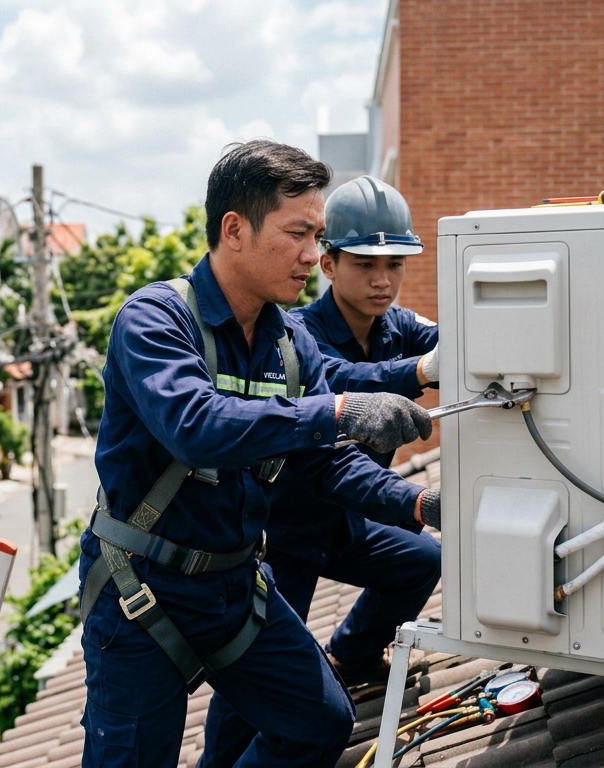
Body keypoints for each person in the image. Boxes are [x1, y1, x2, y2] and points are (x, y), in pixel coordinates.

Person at [79, 142, 439, 768]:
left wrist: (419, 502)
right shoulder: (156, 320)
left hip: (236, 583)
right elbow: (195, 425)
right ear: (235, 230)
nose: (311, 255)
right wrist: (335, 412)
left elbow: (328, 465)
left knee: (319, 724)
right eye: (298, 234)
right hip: (143, 589)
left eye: (317, 235)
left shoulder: (289, 339)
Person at [201, 175, 444, 767]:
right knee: (257, 672)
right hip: (286, 531)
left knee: (421, 560)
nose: (382, 279)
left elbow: (450, 340)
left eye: (395, 263)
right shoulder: (300, 334)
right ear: (329, 264)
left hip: (350, 515)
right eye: (365, 263)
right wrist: (422, 371)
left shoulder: (397, 328)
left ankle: (355, 656)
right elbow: (342, 384)